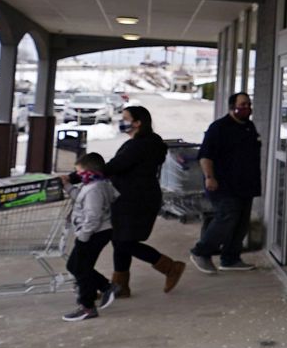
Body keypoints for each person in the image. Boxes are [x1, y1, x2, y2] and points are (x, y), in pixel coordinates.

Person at [105, 105, 186, 296]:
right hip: (133, 197)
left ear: (137, 122)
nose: (121, 122)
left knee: (124, 241)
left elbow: (114, 166)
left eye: (125, 118)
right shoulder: (146, 142)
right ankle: (120, 286)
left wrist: (81, 174)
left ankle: (170, 267)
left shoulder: (139, 145)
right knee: (120, 240)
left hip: (136, 200)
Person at [189, 92, 262, 274]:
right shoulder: (219, 128)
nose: (247, 108)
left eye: (249, 105)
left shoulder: (248, 127)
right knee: (227, 217)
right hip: (223, 184)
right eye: (242, 105)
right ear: (232, 107)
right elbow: (206, 156)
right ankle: (201, 252)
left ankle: (230, 258)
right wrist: (209, 177)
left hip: (246, 184)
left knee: (241, 223)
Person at [63, 152, 118, 322]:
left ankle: (87, 307)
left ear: (90, 171)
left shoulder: (95, 189)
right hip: (94, 232)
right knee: (74, 265)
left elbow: (93, 216)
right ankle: (106, 286)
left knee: (81, 268)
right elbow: (80, 199)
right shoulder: (92, 185)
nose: (77, 176)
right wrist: (67, 186)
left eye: (79, 173)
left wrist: (84, 236)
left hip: (94, 233)